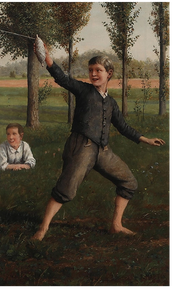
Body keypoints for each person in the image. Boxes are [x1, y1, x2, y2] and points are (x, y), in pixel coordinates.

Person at [32, 41, 165, 241]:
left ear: (108, 73)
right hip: (81, 148)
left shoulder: (111, 103)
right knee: (66, 191)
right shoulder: (83, 90)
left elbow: (123, 126)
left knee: (129, 182)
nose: (93, 74)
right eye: (91, 70)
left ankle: (116, 225)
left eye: (98, 70)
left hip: (103, 151)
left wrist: (146, 140)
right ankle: (42, 230)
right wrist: (47, 57)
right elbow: (61, 78)